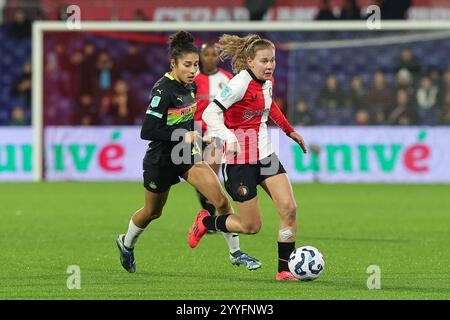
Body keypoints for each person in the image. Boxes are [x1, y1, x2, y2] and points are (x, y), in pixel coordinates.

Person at [116, 31, 261, 274]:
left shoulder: (190, 86)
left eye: (195, 64)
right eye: (187, 65)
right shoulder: (162, 91)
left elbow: (183, 120)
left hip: (185, 155)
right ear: (173, 64)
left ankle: (236, 253)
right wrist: (181, 135)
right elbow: (148, 130)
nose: (193, 70)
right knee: (153, 212)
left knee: (221, 200)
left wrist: (198, 137)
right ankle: (126, 243)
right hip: (161, 160)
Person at [188, 34, 308, 281]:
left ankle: (284, 270)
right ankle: (207, 222)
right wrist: (228, 137)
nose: (270, 65)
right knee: (251, 227)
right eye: (264, 61)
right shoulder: (239, 83)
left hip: (264, 155)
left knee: (290, 209)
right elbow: (211, 114)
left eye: (272, 60)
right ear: (250, 61)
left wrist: (289, 130)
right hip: (239, 161)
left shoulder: (267, 81)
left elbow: (269, 105)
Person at [194, 42, 233, 217]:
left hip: (216, 133)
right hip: (194, 132)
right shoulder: (191, 77)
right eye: (206, 54)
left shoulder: (228, 79)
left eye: (213, 54)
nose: (210, 57)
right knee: (198, 179)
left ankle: (210, 217)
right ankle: (208, 215)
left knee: (211, 174)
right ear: (200, 57)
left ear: (218, 57)